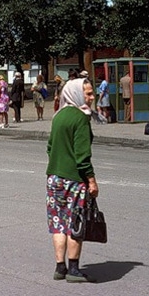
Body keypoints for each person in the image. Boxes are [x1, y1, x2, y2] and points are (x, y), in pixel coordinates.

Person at [46, 77, 99, 283]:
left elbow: (50, 147)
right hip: (74, 180)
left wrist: (58, 162)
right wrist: (92, 181)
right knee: (75, 222)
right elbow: (82, 156)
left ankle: (60, 268)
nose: (92, 97)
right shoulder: (80, 118)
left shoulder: (58, 116)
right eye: (88, 94)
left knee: (58, 223)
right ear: (77, 94)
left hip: (54, 178)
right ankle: (74, 270)